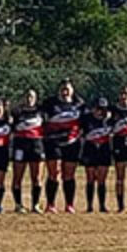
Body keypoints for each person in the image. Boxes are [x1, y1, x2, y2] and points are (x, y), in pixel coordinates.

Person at [40, 79, 84, 213]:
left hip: (72, 143)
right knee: (54, 173)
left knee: (69, 174)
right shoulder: (49, 103)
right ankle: (50, 204)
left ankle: (69, 204)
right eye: (63, 88)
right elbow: (40, 119)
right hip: (53, 142)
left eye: (68, 88)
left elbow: (86, 121)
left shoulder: (79, 104)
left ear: (72, 90)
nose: (65, 91)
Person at [9, 89, 45, 212]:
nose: (29, 99)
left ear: (36, 98)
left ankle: (35, 205)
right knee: (17, 176)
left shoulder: (41, 111)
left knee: (37, 177)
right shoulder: (16, 112)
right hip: (20, 145)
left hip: (36, 145)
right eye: (27, 96)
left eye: (32, 96)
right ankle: (18, 204)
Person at [79, 97, 115, 213]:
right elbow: (80, 133)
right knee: (90, 178)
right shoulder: (87, 119)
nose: (101, 111)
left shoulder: (110, 120)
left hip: (104, 149)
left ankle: (102, 205)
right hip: (90, 149)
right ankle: (89, 205)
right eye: (98, 108)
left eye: (103, 109)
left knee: (101, 179)